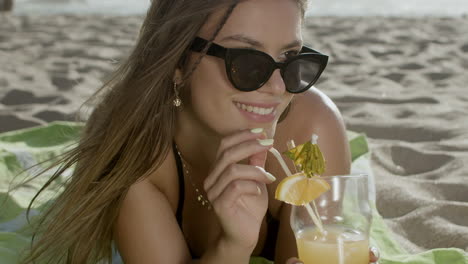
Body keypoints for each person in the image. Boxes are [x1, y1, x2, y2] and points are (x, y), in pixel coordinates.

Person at [22, 0, 380, 263]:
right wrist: (232, 246)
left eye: (291, 60)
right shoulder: (137, 156)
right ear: (178, 62)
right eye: (245, 61)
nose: (276, 87)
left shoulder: (310, 130)